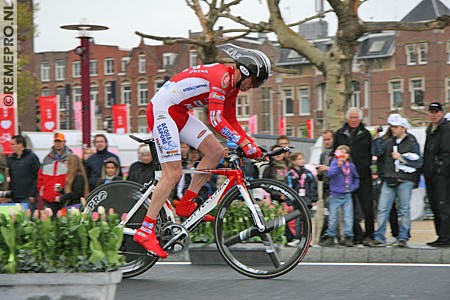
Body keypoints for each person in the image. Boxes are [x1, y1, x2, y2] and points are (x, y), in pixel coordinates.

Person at [133, 43, 270, 258]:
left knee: (215, 153)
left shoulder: (233, 85)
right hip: (163, 111)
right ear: (245, 72)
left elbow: (231, 120)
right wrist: (244, 144)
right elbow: (216, 120)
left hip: (180, 113)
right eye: (255, 81)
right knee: (173, 173)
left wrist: (250, 142)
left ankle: (187, 203)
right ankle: (145, 229)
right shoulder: (222, 79)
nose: (253, 87)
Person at [369, 116, 422, 248]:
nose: (392, 129)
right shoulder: (389, 141)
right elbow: (377, 152)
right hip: (389, 178)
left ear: (403, 128)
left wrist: (402, 158)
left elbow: (419, 162)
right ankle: (379, 237)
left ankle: (403, 237)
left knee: (404, 209)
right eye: (391, 126)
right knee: (382, 208)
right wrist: (376, 138)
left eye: (395, 127)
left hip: (405, 179)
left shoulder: (411, 141)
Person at [332, 107, 373, 245]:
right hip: (345, 177)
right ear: (347, 119)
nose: (354, 120)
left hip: (363, 175)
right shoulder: (340, 134)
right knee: (350, 208)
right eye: (352, 117)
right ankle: (356, 235)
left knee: (367, 207)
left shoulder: (366, 134)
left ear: (360, 119)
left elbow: (369, 154)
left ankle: (369, 235)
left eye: (356, 117)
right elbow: (335, 153)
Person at [320, 145, 359, 247]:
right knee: (333, 217)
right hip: (335, 195)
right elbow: (330, 174)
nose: (344, 155)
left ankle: (348, 236)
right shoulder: (334, 163)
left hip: (347, 195)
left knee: (348, 217)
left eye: (346, 152)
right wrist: (338, 165)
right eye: (341, 152)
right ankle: (331, 236)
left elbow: (356, 177)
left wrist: (353, 187)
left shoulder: (351, 166)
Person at [423, 102, 450, 247]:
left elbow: (446, 152)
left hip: (441, 175)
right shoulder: (430, 129)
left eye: (436, 112)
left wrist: (440, 169)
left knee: (443, 205)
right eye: (431, 112)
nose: (433, 115)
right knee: (434, 205)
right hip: (430, 174)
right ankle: (441, 235)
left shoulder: (446, 129)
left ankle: (445, 237)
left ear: (441, 113)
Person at [285, 151, 318, 246]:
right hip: (297, 200)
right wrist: (289, 202)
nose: (302, 161)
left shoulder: (308, 173)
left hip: (307, 199)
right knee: (298, 219)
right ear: (293, 161)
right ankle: (297, 238)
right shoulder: (290, 174)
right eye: (299, 159)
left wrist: (314, 199)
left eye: (302, 158)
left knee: (307, 219)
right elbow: (288, 189)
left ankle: (307, 238)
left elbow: (313, 186)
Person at [37, 132, 72, 211]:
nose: (58, 144)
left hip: (64, 197)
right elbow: (40, 177)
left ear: (64, 142)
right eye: (56, 141)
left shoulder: (70, 158)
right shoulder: (47, 158)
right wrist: (42, 192)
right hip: (48, 197)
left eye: (60, 141)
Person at [7, 135, 40, 213]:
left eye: (13, 144)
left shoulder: (32, 157)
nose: (11, 146)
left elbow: (38, 176)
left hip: (28, 196)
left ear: (20, 144)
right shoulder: (11, 159)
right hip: (15, 196)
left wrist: (33, 194)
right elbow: (10, 178)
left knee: (27, 219)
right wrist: (9, 195)